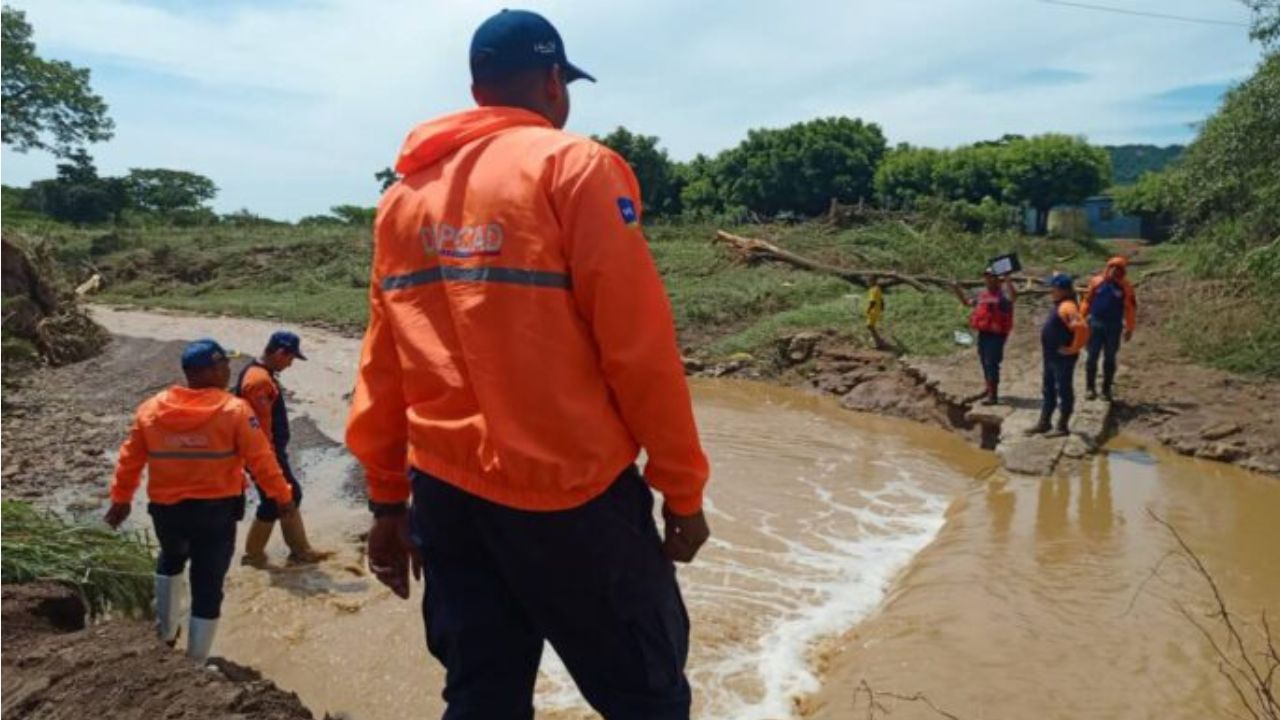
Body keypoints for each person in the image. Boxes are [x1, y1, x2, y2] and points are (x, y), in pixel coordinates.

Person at [345, 9, 711, 718]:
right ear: (552, 81)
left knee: (482, 696)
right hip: (570, 493)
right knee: (649, 696)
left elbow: (382, 364)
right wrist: (682, 491)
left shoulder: (401, 201)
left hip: (447, 495)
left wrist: (388, 501)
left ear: (478, 87)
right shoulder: (575, 167)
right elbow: (639, 353)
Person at [104, 339, 295, 660]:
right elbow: (262, 460)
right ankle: (195, 663)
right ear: (209, 370)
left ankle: (165, 635)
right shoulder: (234, 411)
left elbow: (129, 459)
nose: (229, 370)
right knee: (208, 584)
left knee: (170, 559)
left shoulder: (152, 409)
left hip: (166, 512)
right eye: (224, 365)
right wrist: (283, 497)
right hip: (215, 514)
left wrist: (121, 498)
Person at [235, 330, 332, 566]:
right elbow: (258, 429)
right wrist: (268, 461)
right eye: (290, 358)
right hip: (263, 454)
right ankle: (254, 556)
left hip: (266, 452)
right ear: (280, 353)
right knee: (275, 501)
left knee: (289, 496)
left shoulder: (260, 374)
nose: (290, 364)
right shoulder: (258, 381)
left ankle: (298, 550)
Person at [1028, 274, 1090, 438]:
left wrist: (1073, 348)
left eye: (1053, 288)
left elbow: (1082, 328)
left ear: (1062, 290)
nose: (1051, 291)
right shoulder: (1061, 304)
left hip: (1062, 358)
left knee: (1064, 390)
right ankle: (1044, 422)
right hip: (1051, 357)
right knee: (1048, 389)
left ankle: (1062, 426)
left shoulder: (1067, 307)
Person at [953, 268, 1015, 405]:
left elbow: (1012, 298)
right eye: (986, 276)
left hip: (996, 335)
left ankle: (993, 396)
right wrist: (957, 289)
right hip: (984, 333)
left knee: (991, 363)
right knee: (984, 362)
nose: (988, 279)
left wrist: (1008, 280)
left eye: (991, 276)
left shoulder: (1002, 297)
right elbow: (966, 302)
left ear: (998, 279)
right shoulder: (983, 295)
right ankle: (988, 389)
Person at [1079, 256, 1137, 402]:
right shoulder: (1097, 282)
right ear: (1107, 268)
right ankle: (1090, 388)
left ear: (1122, 271)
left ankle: (1106, 390)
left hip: (1114, 327)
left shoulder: (1125, 287)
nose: (1113, 271)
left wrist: (1129, 328)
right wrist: (1080, 320)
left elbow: (1130, 309)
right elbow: (1087, 301)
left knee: (1110, 358)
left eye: (1118, 269)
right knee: (1092, 356)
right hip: (1095, 324)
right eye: (1111, 267)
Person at [864, 278, 887, 349]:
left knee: (869, 326)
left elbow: (872, 302)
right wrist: (882, 308)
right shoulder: (878, 288)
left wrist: (868, 309)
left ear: (872, 281)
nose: (867, 282)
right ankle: (878, 341)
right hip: (878, 310)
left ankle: (878, 342)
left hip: (873, 311)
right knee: (871, 326)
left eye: (868, 281)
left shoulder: (872, 290)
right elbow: (882, 300)